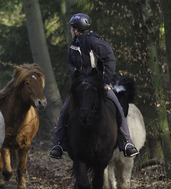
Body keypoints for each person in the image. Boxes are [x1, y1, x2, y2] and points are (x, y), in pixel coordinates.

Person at [49, 13, 139, 159]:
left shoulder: (97, 43)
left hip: (99, 85)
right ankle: (58, 144)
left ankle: (127, 143)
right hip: (81, 87)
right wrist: (77, 81)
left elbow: (110, 61)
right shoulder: (73, 46)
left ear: (78, 30)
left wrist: (104, 81)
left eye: (72, 29)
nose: (71, 31)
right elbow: (70, 64)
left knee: (118, 109)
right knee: (65, 111)